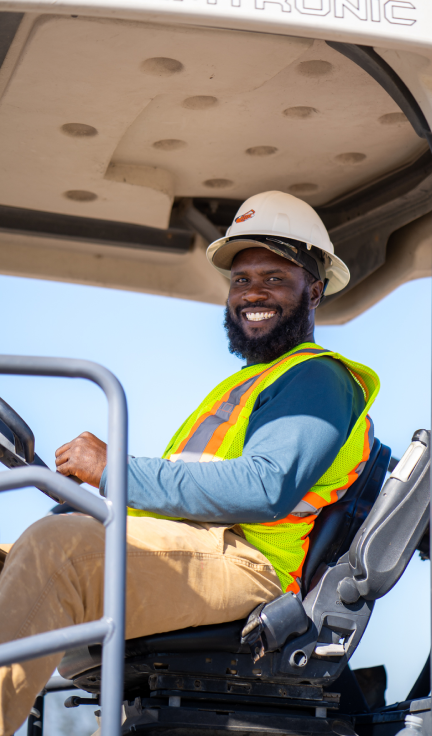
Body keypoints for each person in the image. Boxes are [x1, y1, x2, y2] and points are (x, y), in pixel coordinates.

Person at [0, 190, 379, 734]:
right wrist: (93, 499)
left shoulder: (319, 379)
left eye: (274, 277)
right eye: (242, 280)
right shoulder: (248, 384)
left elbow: (263, 487)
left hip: (252, 566)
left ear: (314, 292)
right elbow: (188, 493)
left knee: (55, 552)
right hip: (201, 550)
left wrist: (114, 472)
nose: (253, 293)